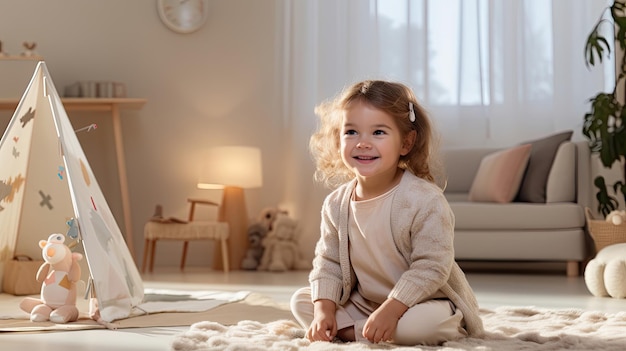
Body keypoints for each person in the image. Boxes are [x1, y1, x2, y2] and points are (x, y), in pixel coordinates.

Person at [290, 80, 484, 346]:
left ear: (406, 142)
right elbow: (329, 262)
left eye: (378, 132)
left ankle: (352, 332)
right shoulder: (336, 203)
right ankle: (365, 328)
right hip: (367, 303)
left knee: (420, 327)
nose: (363, 143)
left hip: (424, 302)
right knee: (303, 300)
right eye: (351, 132)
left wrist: (393, 309)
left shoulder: (424, 200)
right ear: (338, 139)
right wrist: (323, 309)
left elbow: (431, 267)